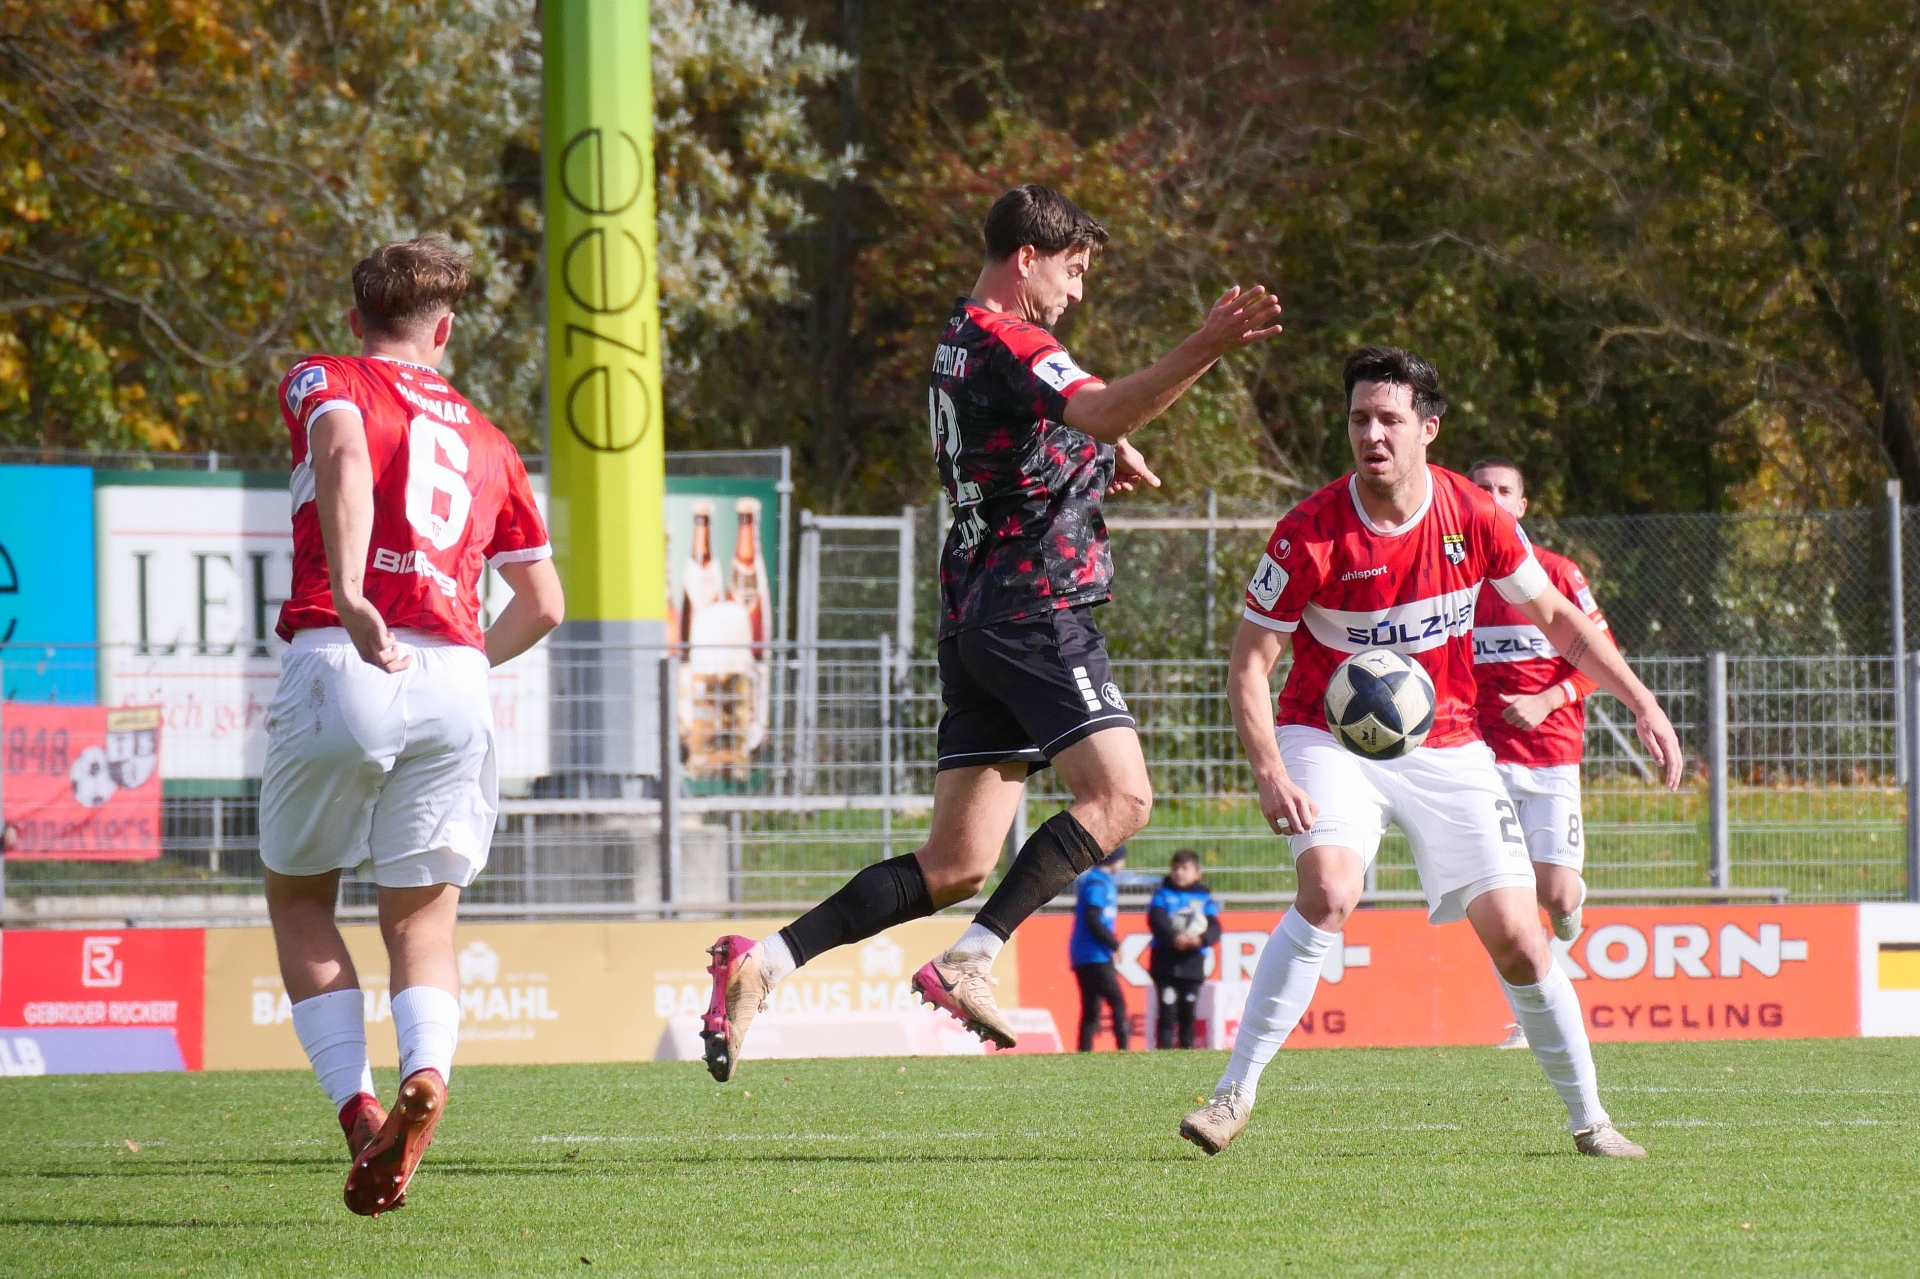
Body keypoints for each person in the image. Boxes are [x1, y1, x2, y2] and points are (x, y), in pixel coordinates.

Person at [702, 183, 1283, 1079]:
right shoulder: (1014, 340)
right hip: (1036, 606)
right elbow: (1096, 408)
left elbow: (1033, 440)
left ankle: (765, 961)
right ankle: (970, 958)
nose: (1077, 292)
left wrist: (1095, 452)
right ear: (1027, 258)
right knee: (1123, 797)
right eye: (1072, 270)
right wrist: (1204, 346)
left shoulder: (958, 339)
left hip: (976, 611)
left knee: (956, 862)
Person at [1178, 346, 1683, 1160]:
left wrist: (1643, 701)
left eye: (1389, 418)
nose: (1372, 434)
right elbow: (1248, 665)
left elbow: (1560, 619)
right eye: (1359, 419)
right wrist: (1269, 771)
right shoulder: (1309, 533)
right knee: (1329, 887)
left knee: (1520, 935)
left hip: (1448, 742)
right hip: (1327, 735)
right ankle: (1233, 1093)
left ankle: (1592, 1120)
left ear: (1428, 428)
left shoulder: (1474, 515)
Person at [260, 237, 565, 1216]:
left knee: (300, 898)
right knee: (423, 919)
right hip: (455, 679)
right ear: (445, 331)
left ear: (358, 321)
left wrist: (353, 593)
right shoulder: (489, 437)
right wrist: (468, 662)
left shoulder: (326, 374)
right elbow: (545, 602)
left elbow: (344, 449)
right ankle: (425, 1072)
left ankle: (359, 1108)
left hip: (345, 653)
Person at [1468, 457, 1613, 1051]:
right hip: (1480, 761)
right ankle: (1528, 1021)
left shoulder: (1555, 573)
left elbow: (1601, 661)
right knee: (1507, 900)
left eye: (1505, 490)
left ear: (1522, 505)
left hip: (1552, 756)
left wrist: (1548, 699)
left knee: (1555, 894)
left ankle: (1572, 912)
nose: (1493, 497)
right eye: (1482, 489)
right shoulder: (1453, 580)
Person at [1147, 849, 1221, 1049]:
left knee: (1188, 1011)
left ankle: (1187, 1050)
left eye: (1184, 868)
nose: (1179, 872)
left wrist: (1201, 940)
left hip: (1192, 962)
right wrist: (1174, 938)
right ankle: (1163, 1051)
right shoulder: (1163, 893)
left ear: (1197, 873)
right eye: (1175, 868)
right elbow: (1156, 920)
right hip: (1166, 961)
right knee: (1167, 1010)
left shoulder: (1203, 897)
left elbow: (1215, 926)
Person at [1070, 847, 1130, 1052]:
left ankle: (1084, 1051)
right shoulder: (1097, 883)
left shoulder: (1099, 881)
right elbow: (1093, 920)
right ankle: (1123, 1049)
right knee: (1117, 1002)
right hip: (1094, 955)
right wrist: (1114, 944)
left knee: (1091, 1007)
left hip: (1086, 954)